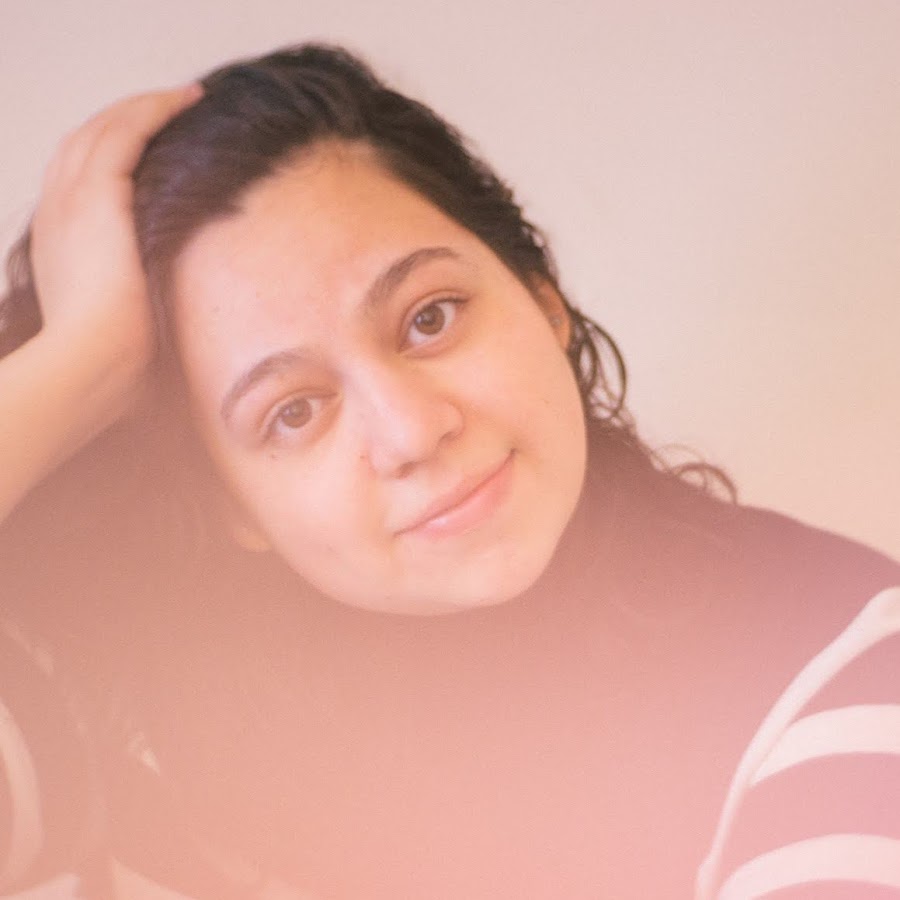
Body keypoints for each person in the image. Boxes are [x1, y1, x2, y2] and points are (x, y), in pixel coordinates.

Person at [0, 44, 898, 899]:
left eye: (429, 317)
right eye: (294, 411)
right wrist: (79, 361)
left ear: (543, 297)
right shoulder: (125, 733)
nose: (411, 433)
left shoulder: (841, 671)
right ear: (232, 504)